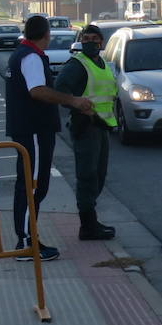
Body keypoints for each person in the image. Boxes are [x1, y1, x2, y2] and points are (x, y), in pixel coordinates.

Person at [5, 14, 93, 262]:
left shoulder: (22, 54)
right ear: (46, 34)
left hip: (30, 128)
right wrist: (73, 101)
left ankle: (29, 238)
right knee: (32, 186)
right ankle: (25, 243)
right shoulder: (31, 57)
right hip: (33, 129)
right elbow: (38, 91)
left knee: (32, 185)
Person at [53, 24, 117, 240]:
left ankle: (91, 221)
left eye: (94, 38)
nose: (90, 42)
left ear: (101, 42)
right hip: (86, 125)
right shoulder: (77, 64)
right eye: (86, 38)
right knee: (88, 176)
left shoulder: (101, 64)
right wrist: (79, 106)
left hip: (101, 126)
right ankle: (87, 227)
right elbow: (60, 87)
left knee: (99, 176)